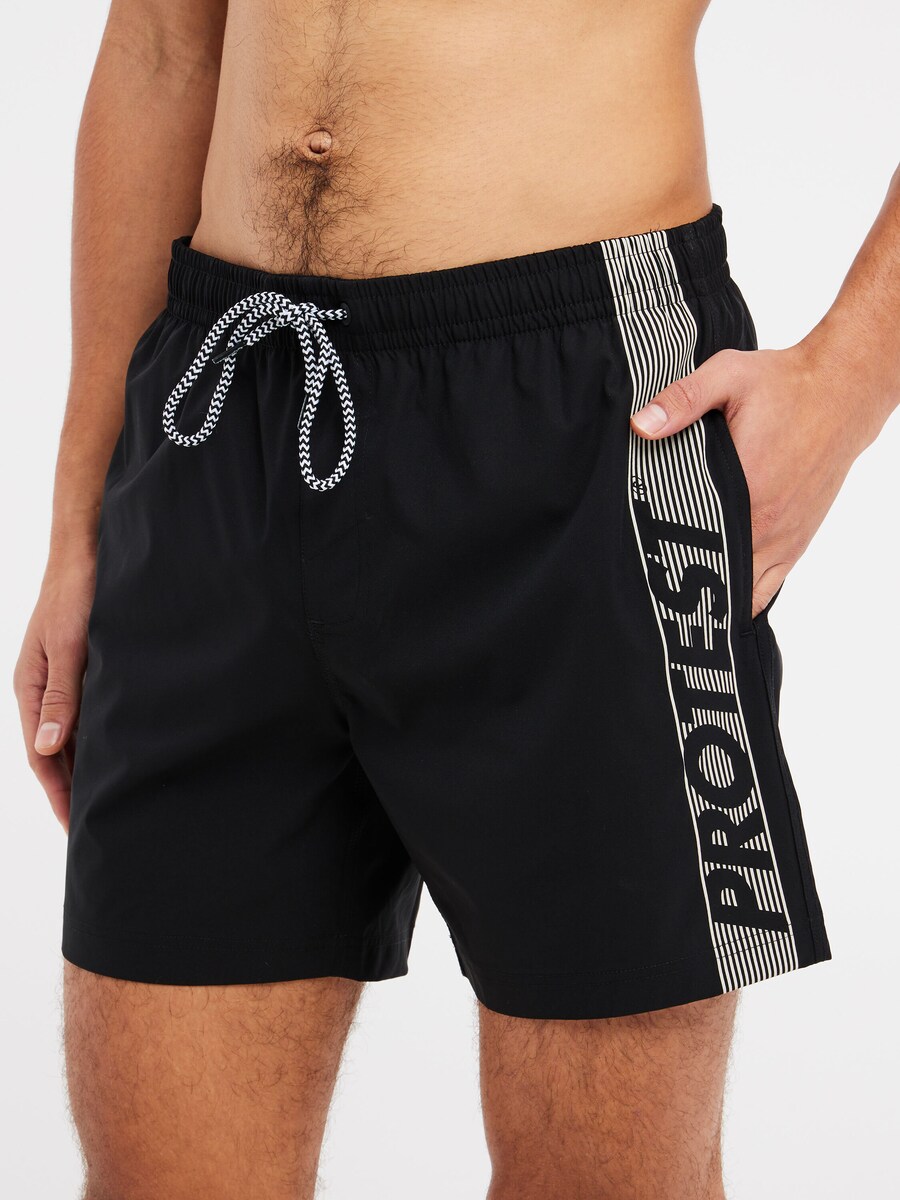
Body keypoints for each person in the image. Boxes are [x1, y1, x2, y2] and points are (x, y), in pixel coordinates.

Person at [13, 0, 898, 1195]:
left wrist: (845, 386)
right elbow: (167, 46)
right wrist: (81, 520)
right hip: (221, 414)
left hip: (588, 420)